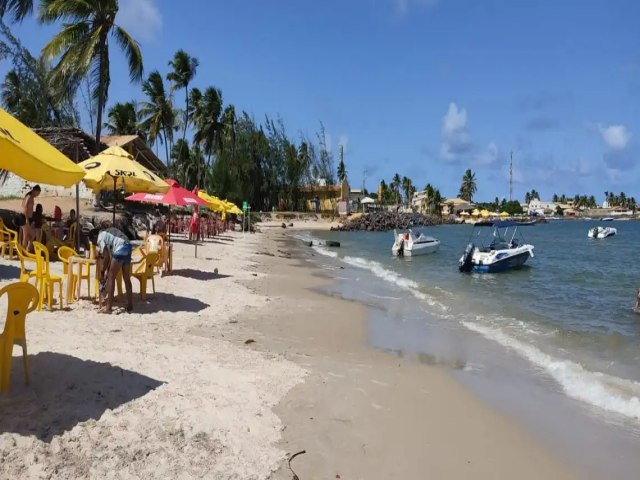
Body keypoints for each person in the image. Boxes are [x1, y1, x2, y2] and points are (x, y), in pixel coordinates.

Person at [89, 227, 133, 314]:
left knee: (111, 278)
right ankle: (130, 305)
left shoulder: (100, 237)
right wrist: (107, 271)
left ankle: (108, 308)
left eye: (93, 242)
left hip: (120, 247)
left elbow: (106, 257)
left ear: (94, 237)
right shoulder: (107, 233)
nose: (95, 244)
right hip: (128, 246)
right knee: (126, 278)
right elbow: (112, 260)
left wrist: (102, 271)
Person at [20, 185, 40, 249]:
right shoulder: (29, 197)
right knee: (26, 236)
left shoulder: (31, 197)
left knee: (31, 235)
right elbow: (25, 208)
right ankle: (23, 251)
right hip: (25, 218)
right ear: (35, 191)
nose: (38, 195)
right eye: (38, 193)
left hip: (28, 218)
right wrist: (26, 219)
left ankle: (27, 250)